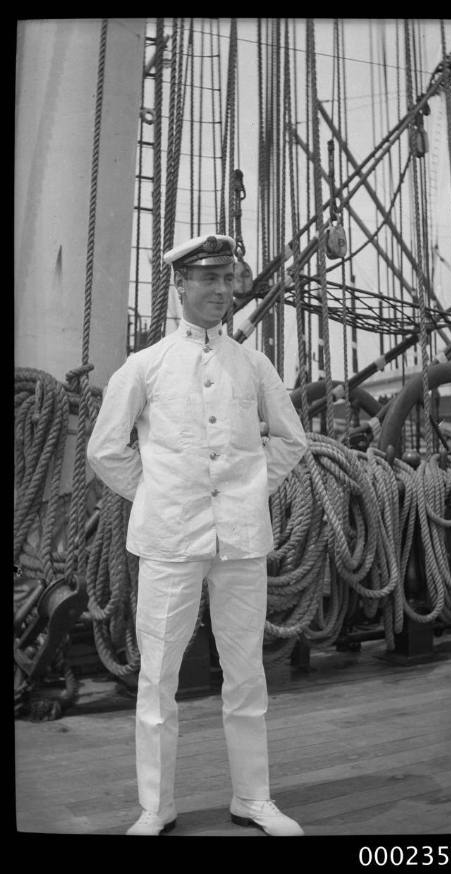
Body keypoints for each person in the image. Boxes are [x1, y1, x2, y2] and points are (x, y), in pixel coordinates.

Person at [87, 233, 308, 836]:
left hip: (240, 540)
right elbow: (106, 450)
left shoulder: (252, 364)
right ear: (179, 286)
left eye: (228, 278)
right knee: (158, 676)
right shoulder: (145, 366)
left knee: (246, 673)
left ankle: (253, 798)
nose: (221, 290)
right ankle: (156, 806)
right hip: (169, 542)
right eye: (207, 279)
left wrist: (246, 492)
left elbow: (292, 439)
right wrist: (159, 495)